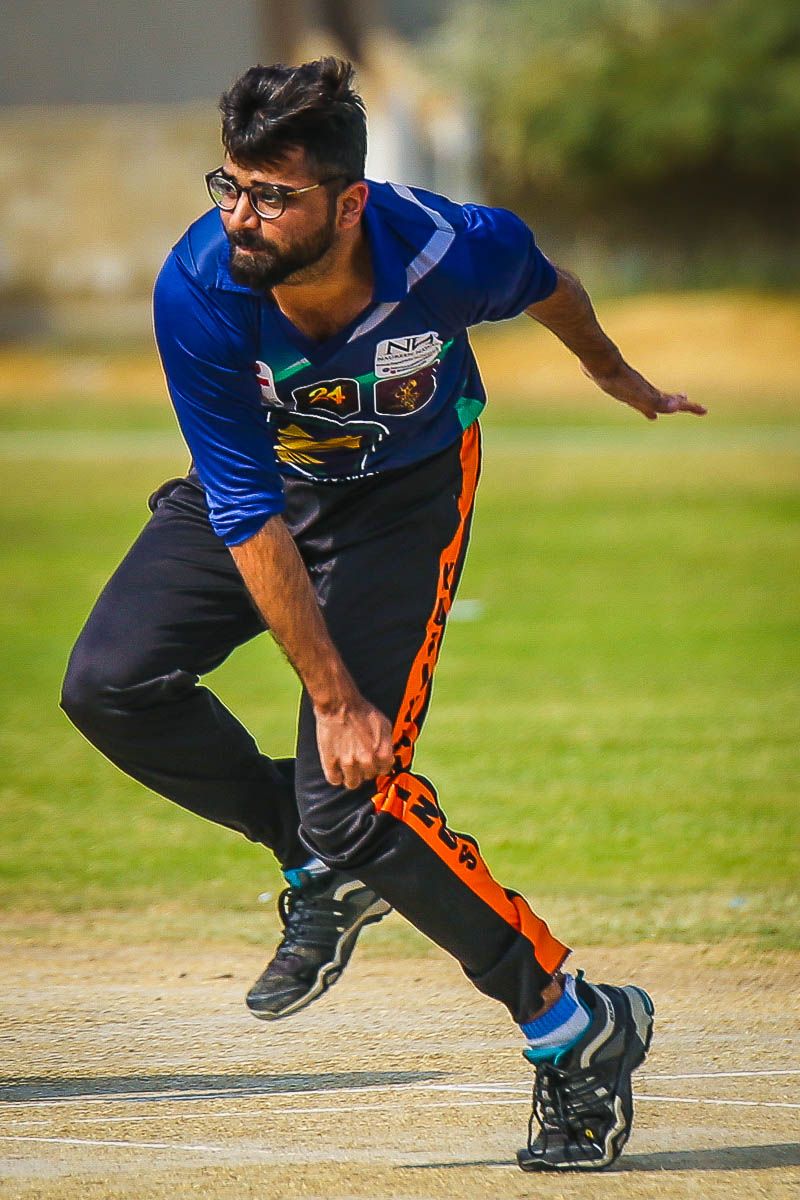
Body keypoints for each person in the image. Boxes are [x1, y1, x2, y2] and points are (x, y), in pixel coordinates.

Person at [61, 58, 705, 1171]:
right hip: (265, 491)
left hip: (404, 503)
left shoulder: (452, 253)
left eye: (273, 196)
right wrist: (331, 697)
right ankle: (315, 857)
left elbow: (548, 284)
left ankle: (572, 1022)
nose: (240, 216)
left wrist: (613, 373)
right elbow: (245, 510)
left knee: (355, 797)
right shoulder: (202, 287)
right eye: (230, 185)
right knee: (110, 685)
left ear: (349, 202)